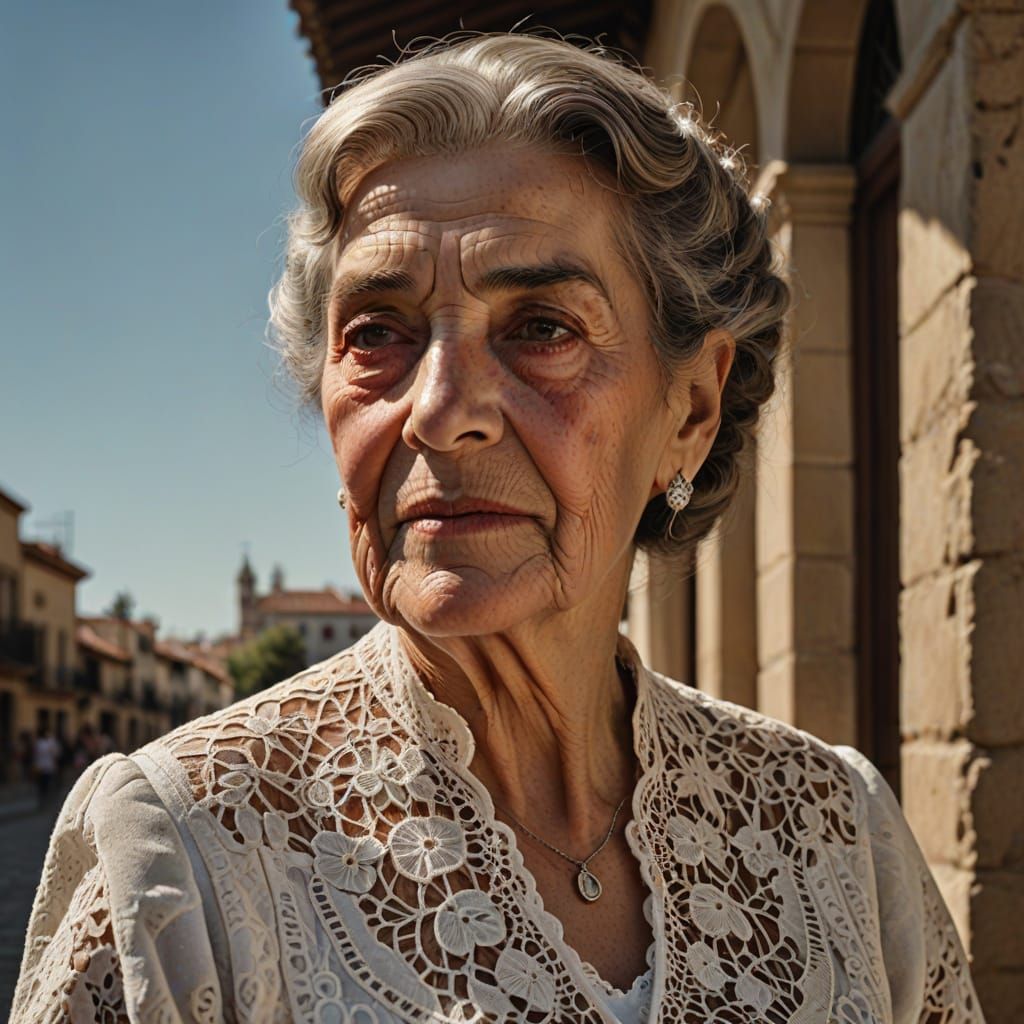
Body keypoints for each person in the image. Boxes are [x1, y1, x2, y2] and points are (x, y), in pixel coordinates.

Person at [12, 33, 983, 1024]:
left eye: (541, 329)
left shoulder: (834, 832)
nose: (438, 410)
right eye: (377, 334)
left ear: (689, 409)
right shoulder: (182, 858)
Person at [31, 724, 61, 809]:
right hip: (45, 767)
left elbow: (56, 754)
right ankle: (44, 802)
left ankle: (44, 802)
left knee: (44, 786)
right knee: (44, 786)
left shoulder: (41, 742)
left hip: (45, 767)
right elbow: (55, 754)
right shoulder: (46, 742)